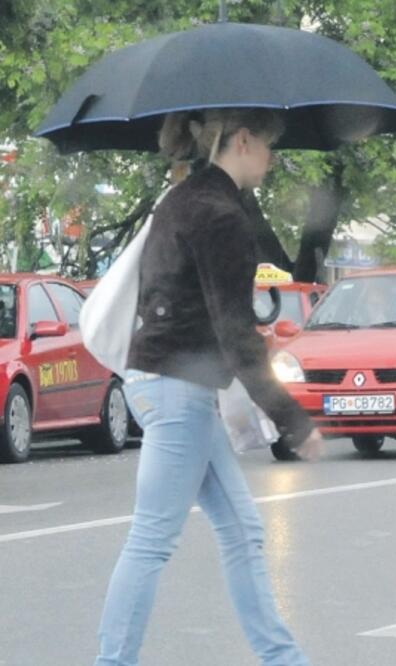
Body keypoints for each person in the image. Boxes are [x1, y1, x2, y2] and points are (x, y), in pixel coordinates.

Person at [93, 108, 323, 666]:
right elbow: (235, 333)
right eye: (268, 146)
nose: (271, 160)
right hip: (176, 389)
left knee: (242, 530)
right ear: (242, 141)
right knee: (151, 539)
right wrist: (293, 420)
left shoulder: (182, 200)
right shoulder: (221, 216)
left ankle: (284, 659)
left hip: (164, 382)